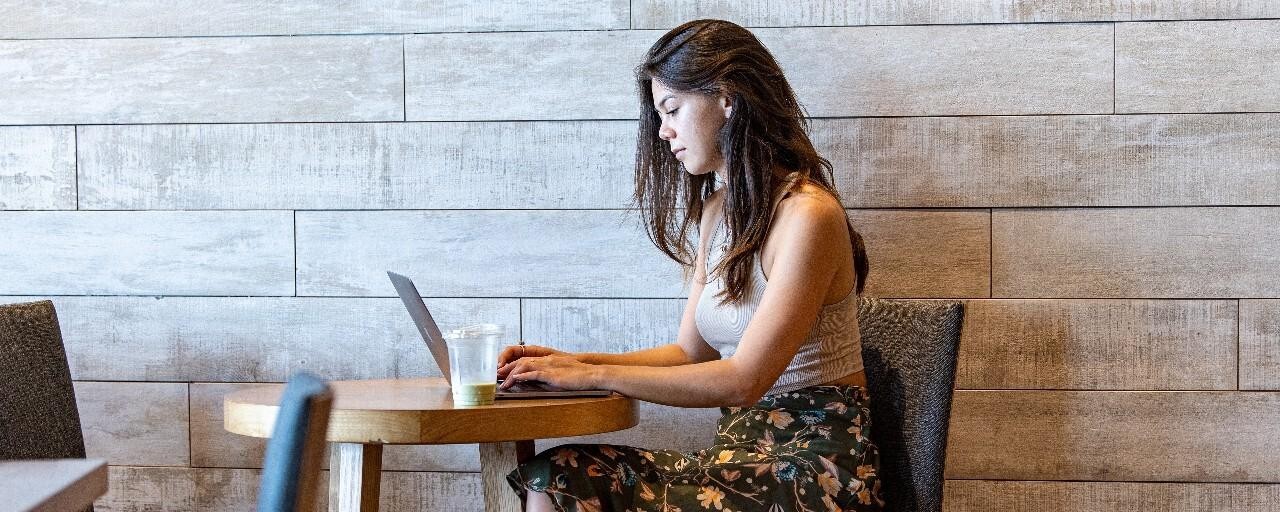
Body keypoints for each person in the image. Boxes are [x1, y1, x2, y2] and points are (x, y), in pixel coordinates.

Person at [497, 18, 884, 512]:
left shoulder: (810, 215)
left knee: (565, 478)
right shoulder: (717, 212)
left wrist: (591, 377)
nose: (664, 131)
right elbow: (689, 352)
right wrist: (568, 361)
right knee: (554, 474)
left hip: (817, 467)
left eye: (672, 109)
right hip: (742, 453)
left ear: (726, 98)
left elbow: (744, 379)